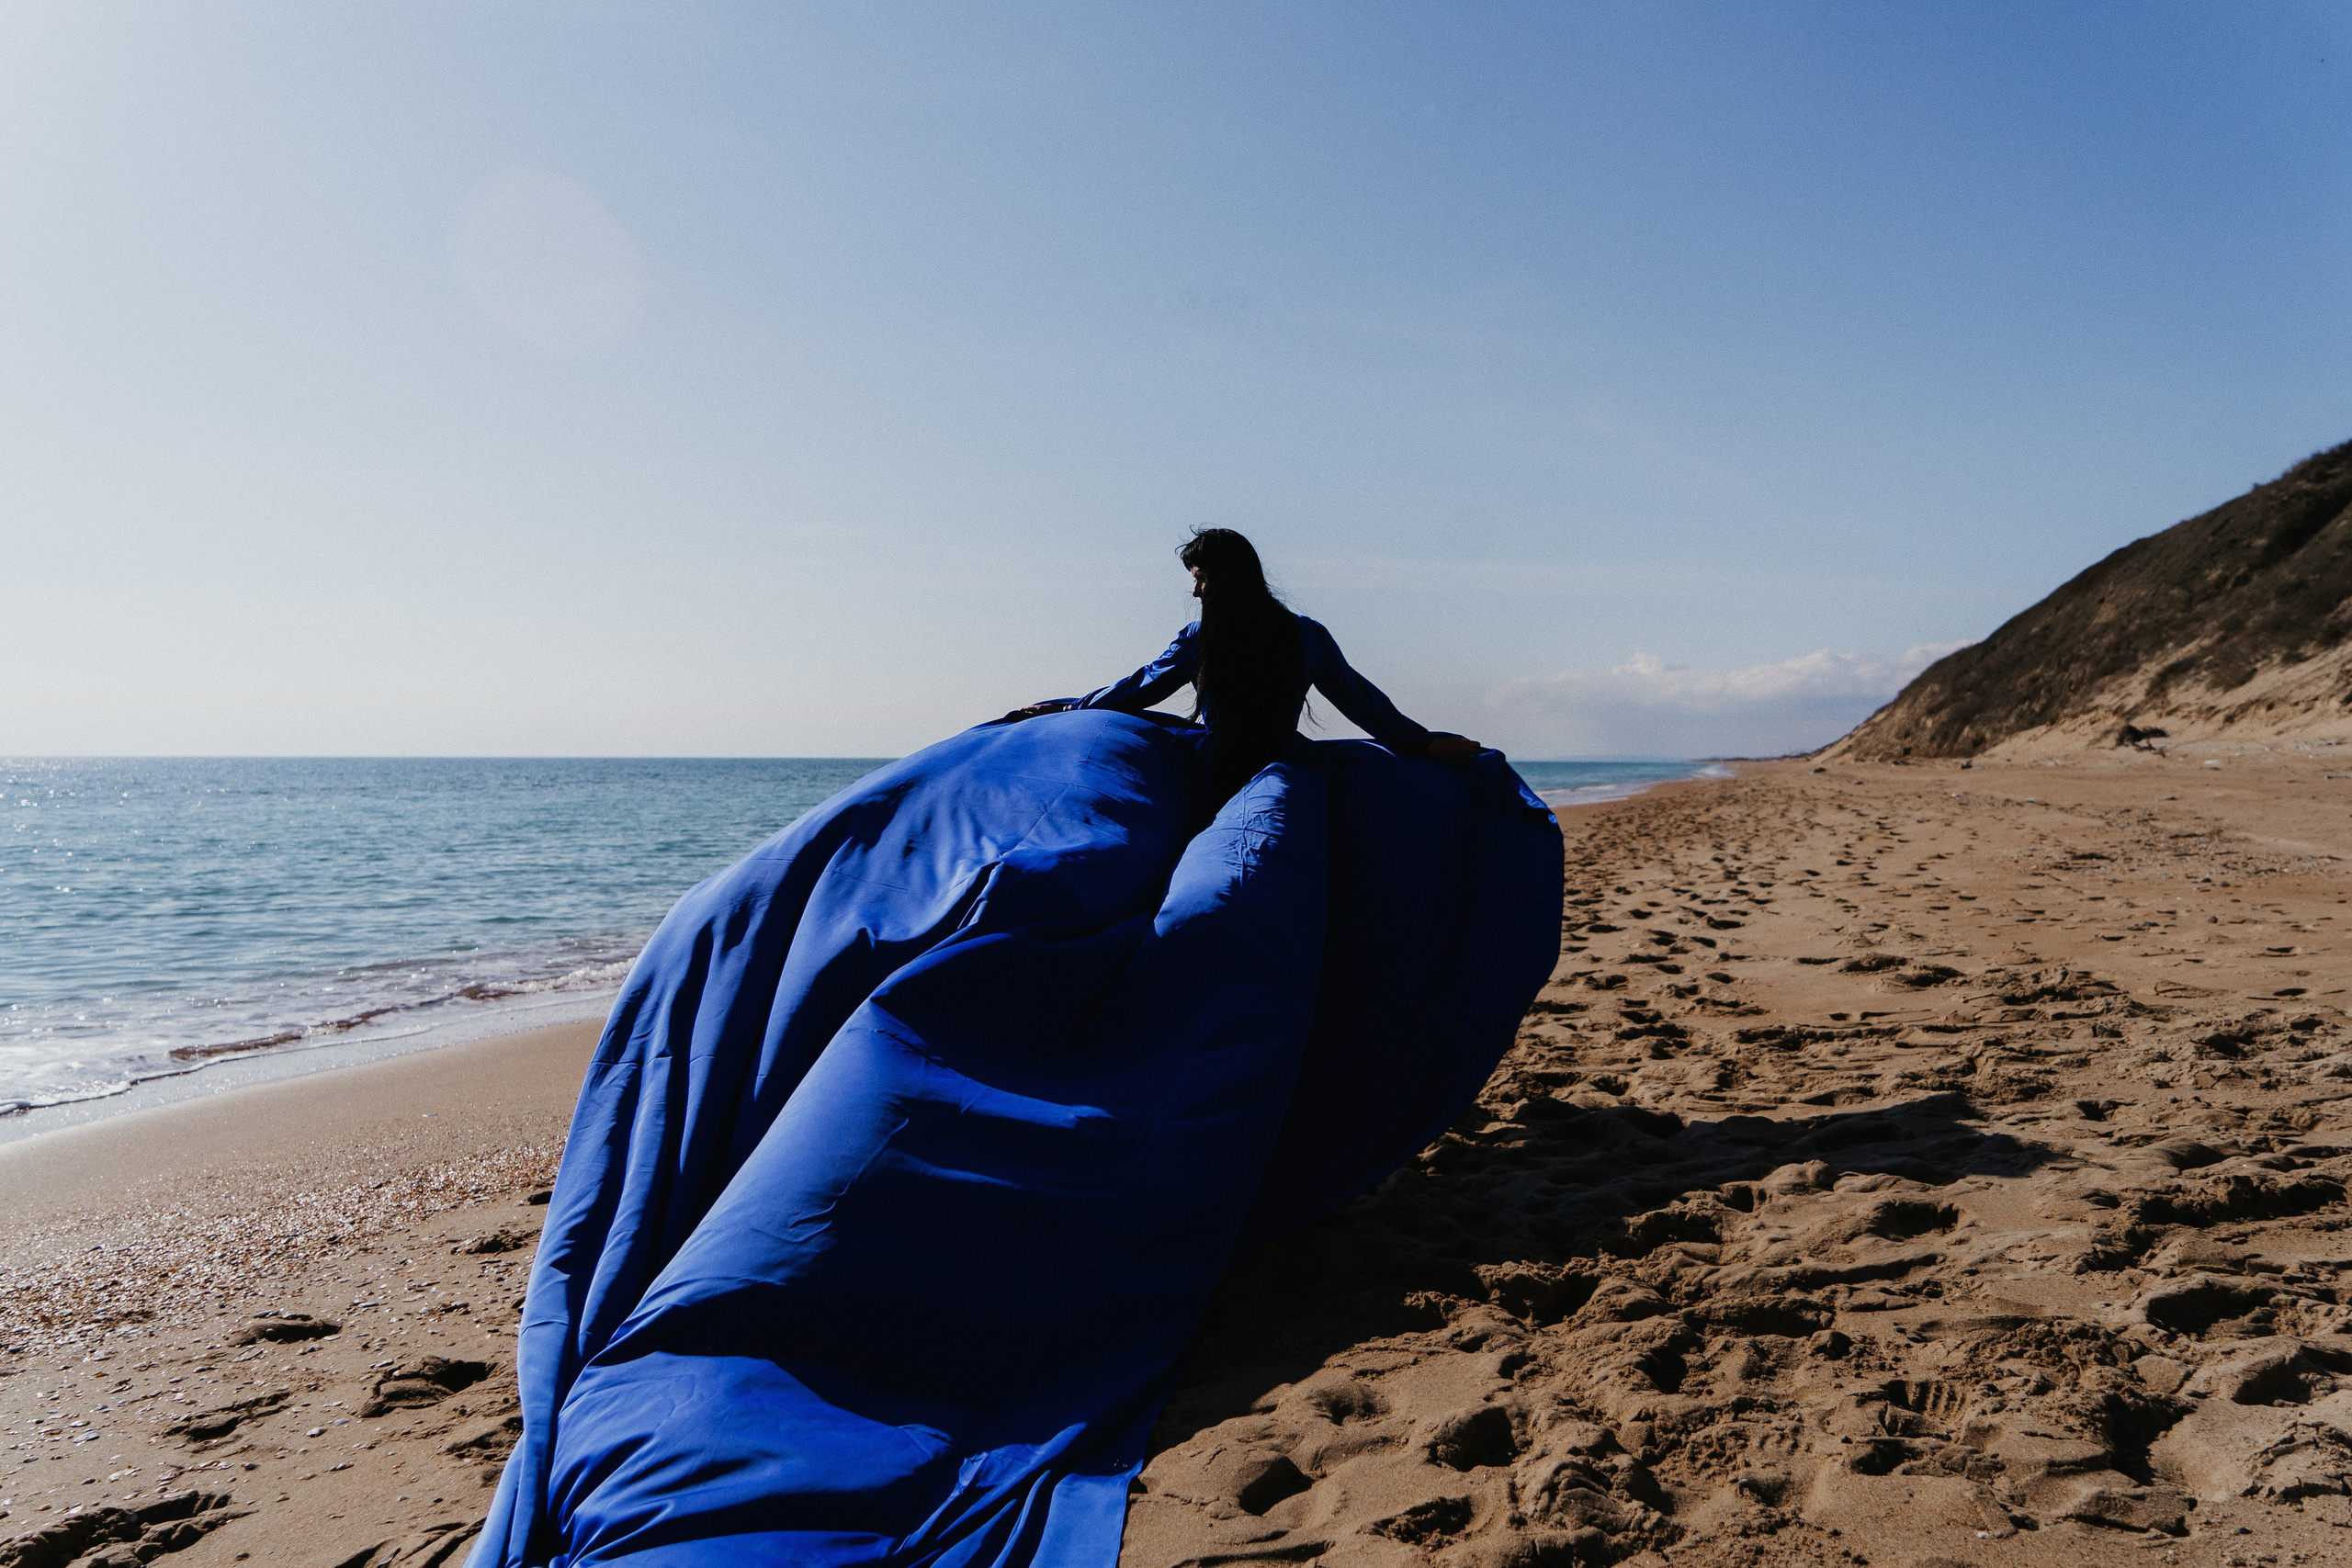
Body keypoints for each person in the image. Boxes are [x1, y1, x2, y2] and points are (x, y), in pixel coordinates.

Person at [1009, 529, 1481, 803]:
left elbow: (1139, 690)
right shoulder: (1306, 633)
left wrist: (1068, 711)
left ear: (1224, 579)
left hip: (1218, 772)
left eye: (1201, 578)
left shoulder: (1202, 636)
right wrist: (1422, 742)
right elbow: (1361, 702)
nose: (1196, 591)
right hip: (1289, 762)